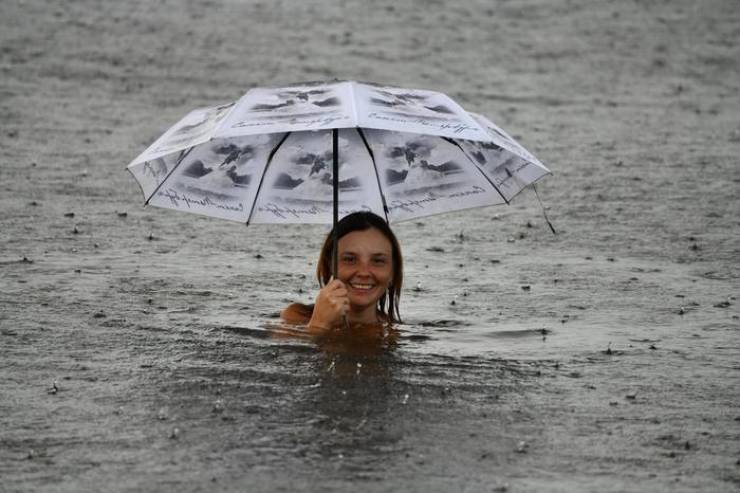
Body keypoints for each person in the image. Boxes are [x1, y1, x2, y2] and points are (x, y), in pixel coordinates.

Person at [281, 211, 403, 341]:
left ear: (392, 272)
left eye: (378, 261)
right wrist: (318, 325)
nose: (364, 272)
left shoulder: (393, 333)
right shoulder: (295, 317)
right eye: (350, 259)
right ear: (330, 264)